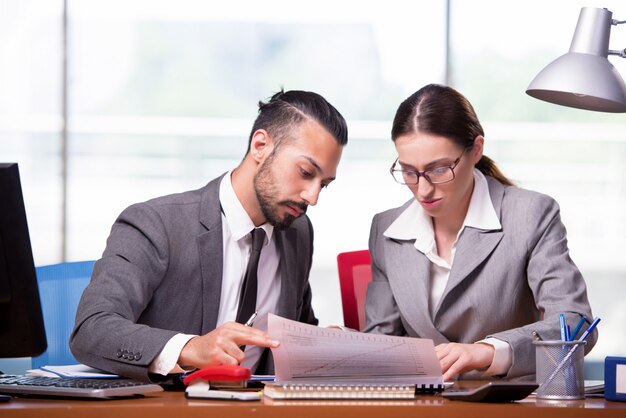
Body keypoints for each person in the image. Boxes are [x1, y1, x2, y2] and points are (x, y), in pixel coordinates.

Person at [70, 89, 348, 382]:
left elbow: (295, 331)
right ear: (260, 145)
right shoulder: (158, 224)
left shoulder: (297, 232)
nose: (313, 197)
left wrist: (319, 344)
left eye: (324, 184)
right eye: (306, 172)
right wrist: (191, 347)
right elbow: (92, 329)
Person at [364, 83, 597, 380]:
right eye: (409, 171)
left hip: (509, 405)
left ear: (475, 149)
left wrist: (488, 351)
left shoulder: (530, 215)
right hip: (422, 406)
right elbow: (381, 342)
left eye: (439, 169)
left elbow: (576, 326)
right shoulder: (385, 230)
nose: (422, 189)